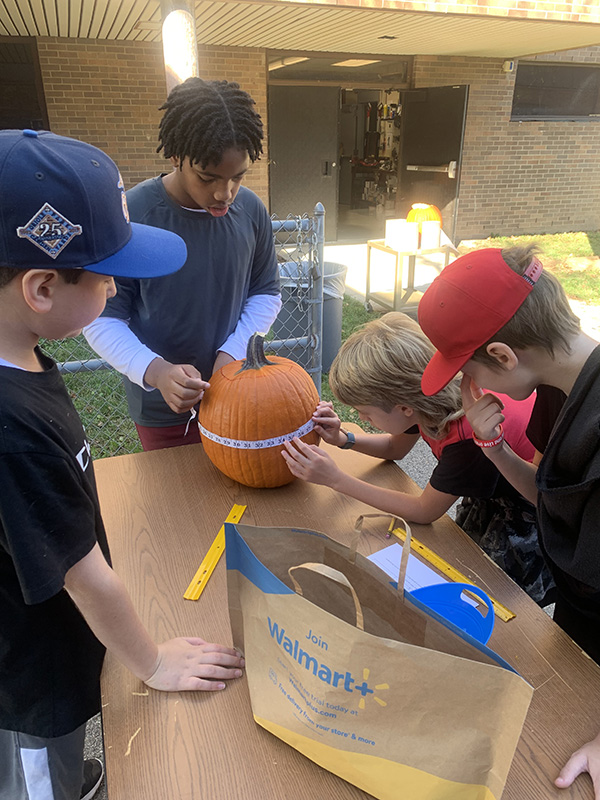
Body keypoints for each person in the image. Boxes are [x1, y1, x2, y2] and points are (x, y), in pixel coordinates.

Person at [0, 129, 245, 800]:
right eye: (107, 271)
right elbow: (82, 578)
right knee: (37, 777)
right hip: (29, 678)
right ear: (42, 287)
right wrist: (153, 660)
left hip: (53, 643)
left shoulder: (21, 354)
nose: (115, 285)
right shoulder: (9, 426)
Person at [416, 244, 600, 798]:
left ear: (500, 354)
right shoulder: (562, 389)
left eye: (467, 366)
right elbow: (553, 498)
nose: (469, 382)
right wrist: (493, 445)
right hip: (578, 625)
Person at [282, 311, 555, 605]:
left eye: (366, 412)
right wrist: (345, 439)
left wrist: (335, 479)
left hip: (529, 510)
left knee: (491, 595)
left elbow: (425, 511)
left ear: (404, 408)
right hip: (487, 486)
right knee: (460, 558)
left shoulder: (465, 442)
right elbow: (394, 448)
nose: (360, 418)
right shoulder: (426, 393)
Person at [83, 77, 281, 451]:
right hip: (162, 409)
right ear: (176, 156)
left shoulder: (251, 209)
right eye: (208, 178)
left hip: (236, 394)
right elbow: (102, 317)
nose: (225, 193)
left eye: (237, 177)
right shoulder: (133, 215)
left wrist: (232, 353)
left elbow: (266, 292)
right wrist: (156, 372)